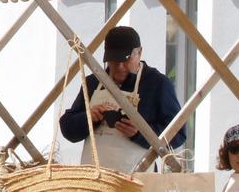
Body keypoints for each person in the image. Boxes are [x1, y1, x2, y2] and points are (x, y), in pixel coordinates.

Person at [56, 26, 186, 172]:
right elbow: (68, 129)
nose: (119, 66)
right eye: (113, 60)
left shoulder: (158, 84)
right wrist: (87, 118)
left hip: (137, 180)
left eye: (125, 59)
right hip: (95, 177)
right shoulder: (93, 82)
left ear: (139, 53)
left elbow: (178, 134)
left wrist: (140, 133)